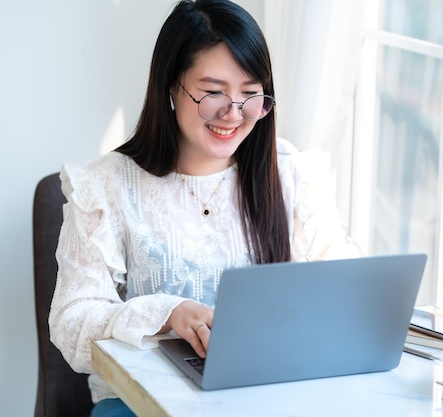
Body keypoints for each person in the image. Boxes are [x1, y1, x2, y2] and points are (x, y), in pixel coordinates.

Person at [49, 0, 360, 416]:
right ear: (171, 86)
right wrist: (167, 312)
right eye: (214, 92)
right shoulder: (106, 186)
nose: (233, 114)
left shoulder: (289, 173)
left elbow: (344, 280)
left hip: (262, 396)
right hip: (139, 403)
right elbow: (70, 323)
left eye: (250, 95)